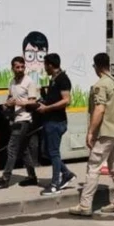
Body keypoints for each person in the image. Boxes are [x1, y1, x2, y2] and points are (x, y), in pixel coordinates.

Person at [70, 53, 114, 217]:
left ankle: (85, 205)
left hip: (106, 131)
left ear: (96, 66)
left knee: (93, 166)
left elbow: (100, 109)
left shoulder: (100, 85)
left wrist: (90, 132)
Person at [0, 56, 40, 189]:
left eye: (22, 67)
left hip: (25, 119)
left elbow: (32, 102)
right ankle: (32, 177)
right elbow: (11, 98)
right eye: (17, 67)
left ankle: (6, 178)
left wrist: (18, 103)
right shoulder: (12, 82)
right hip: (16, 118)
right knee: (23, 150)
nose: (20, 69)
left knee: (12, 148)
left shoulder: (29, 82)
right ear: (12, 68)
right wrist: (6, 105)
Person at [36, 53, 76, 195]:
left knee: (53, 153)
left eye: (45, 65)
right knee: (47, 151)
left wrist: (47, 108)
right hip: (49, 120)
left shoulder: (63, 79)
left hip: (56, 122)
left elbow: (66, 100)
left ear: (50, 65)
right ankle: (66, 174)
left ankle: (55, 185)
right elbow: (54, 98)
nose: (44, 68)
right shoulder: (54, 79)